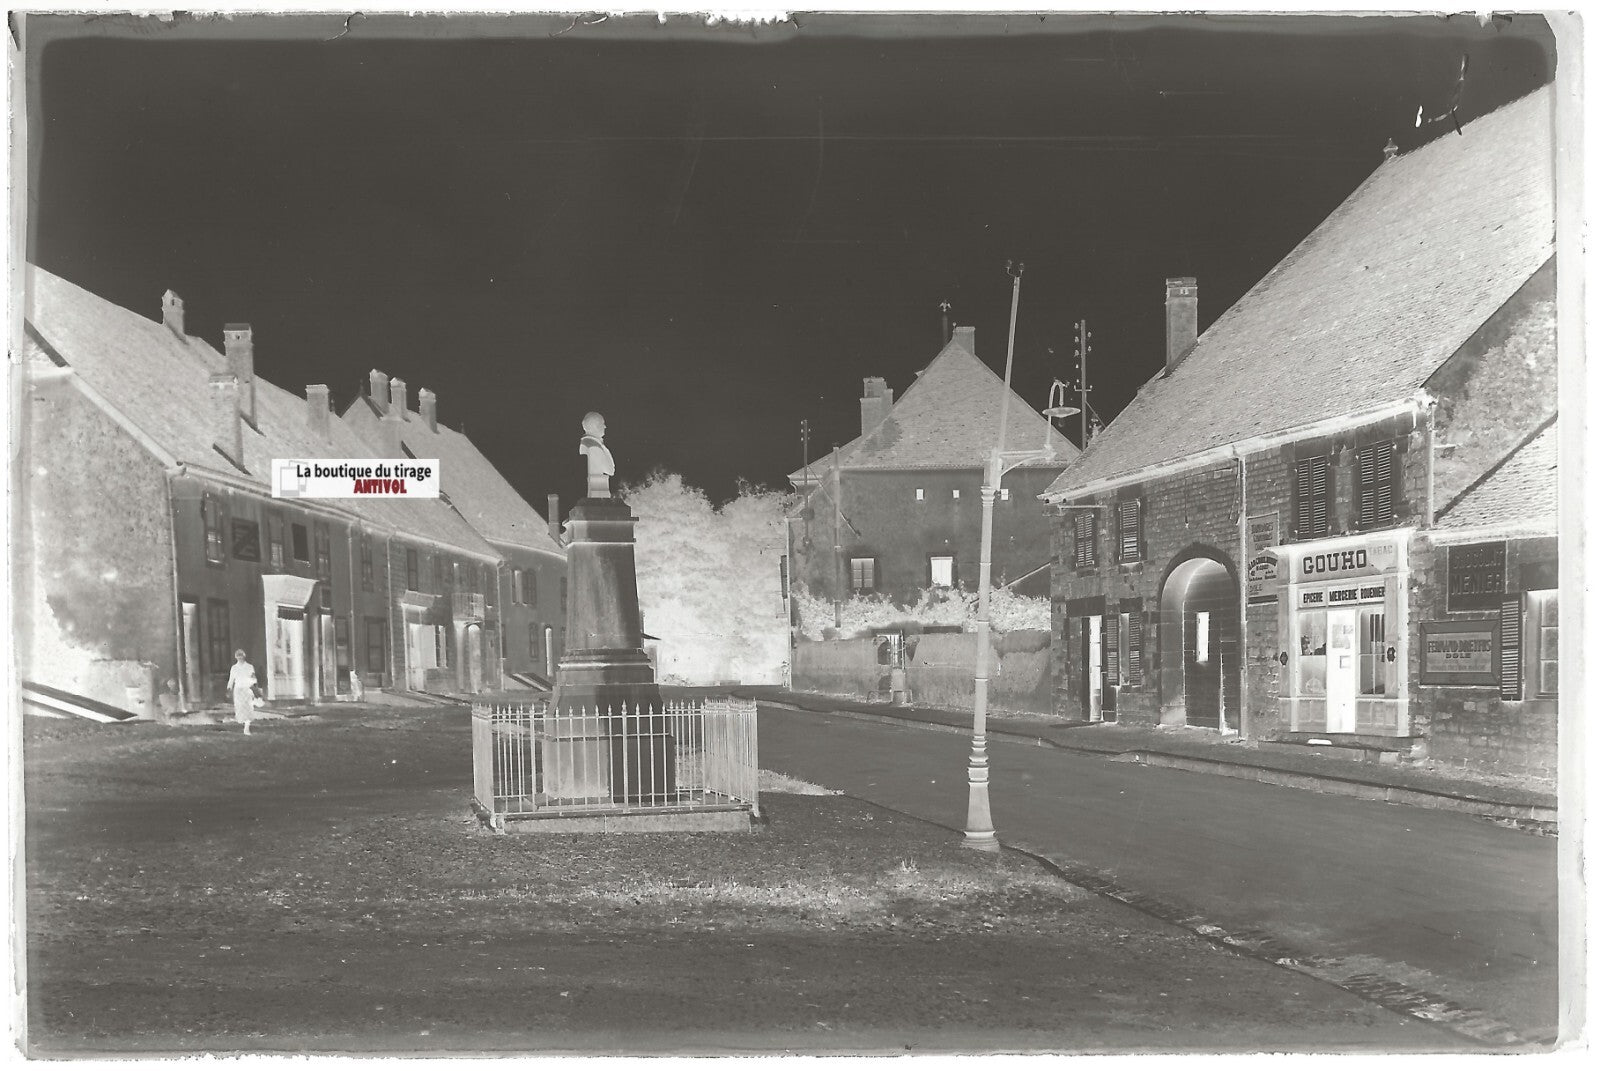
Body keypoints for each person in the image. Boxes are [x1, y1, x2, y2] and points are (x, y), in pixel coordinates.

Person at [227, 649, 259, 735]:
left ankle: (247, 727)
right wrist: (229, 688)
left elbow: (253, 678)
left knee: (248, 708)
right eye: (238, 656)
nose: (240, 658)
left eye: (241, 656)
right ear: (236, 657)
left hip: (246, 689)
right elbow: (231, 679)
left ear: (244, 656)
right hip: (238, 690)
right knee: (239, 707)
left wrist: (254, 685)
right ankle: (242, 723)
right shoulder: (234, 668)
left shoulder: (249, 667)